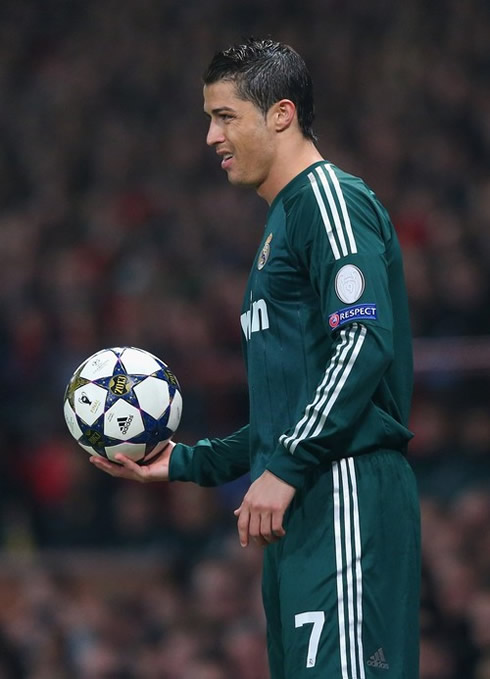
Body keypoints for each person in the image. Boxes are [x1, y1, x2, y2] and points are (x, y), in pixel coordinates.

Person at [90, 38, 421, 679]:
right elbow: (288, 406)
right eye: (209, 117)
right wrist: (183, 463)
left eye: (225, 116)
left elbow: (363, 343)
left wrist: (290, 465)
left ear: (281, 114)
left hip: (342, 490)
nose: (210, 136)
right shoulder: (281, 224)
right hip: (307, 501)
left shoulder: (331, 201)